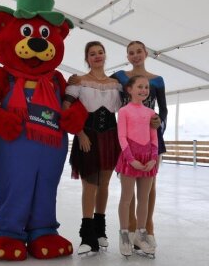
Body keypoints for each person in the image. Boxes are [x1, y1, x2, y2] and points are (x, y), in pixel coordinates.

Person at [64, 41, 122, 255]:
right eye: (92, 54)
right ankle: (87, 235)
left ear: (105, 55)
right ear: (86, 58)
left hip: (110, 137)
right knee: (90, 184)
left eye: (100, 52)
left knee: (104, 184)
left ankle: (100, 231)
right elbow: (66, 109)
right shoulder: (79, 82)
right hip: (87, 136)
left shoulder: (117, 83)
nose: (97, 56)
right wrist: (79, 133)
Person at [111, 40, 167, 251]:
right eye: (131, 52)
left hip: (152, 136)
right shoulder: (120, 77)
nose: (135, 55)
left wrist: (158, 122)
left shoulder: (158, 81)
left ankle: (147, 230)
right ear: (127, 56)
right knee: (128, 190)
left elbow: (164, 109)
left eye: (139, 52)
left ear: (146, 53)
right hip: (129, 140)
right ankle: (129, 230)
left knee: (149, 188)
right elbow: (101, 83)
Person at [116, 75, 158, 257]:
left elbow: (154, 138)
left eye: (146, 87)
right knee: (126, 198)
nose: (144, 90)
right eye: (140, 86)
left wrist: (154, 159)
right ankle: (124, 234)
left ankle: (141, 234)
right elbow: (122, 137)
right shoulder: (124, 111)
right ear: (130, 89)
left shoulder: (150, 113)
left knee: (145, 199)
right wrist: (130, 159)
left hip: (148, 158)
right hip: (130, 157)